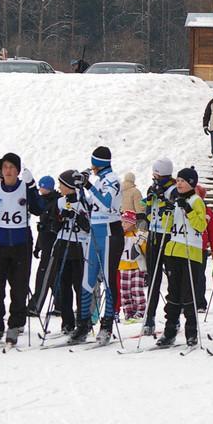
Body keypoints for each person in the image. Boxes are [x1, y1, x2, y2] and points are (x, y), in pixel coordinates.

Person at [0, 153, 44, 345]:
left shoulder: (24, 187)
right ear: (1, 170)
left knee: (19, 287)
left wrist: (32, 187)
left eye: (12, 167)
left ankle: (15, 325)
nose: (9, 171)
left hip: (21, 241)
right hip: (1, 242)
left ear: (18, 170)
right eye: (5, 167)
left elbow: (39, 209)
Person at [76, 146, 123, 345]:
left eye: (93, 163)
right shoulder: (99, 180)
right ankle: (84, 323)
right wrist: (80, 190)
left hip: (110, 233)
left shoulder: (113, 179)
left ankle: (106, 326)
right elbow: (90, 206)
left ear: (99, 164)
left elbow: (105, 203)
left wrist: (88, 186)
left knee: (108, 280)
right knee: (88, 279)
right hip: (94, 233)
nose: (91, 167)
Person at [156, 168, 207, 347]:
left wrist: (189, 211)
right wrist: (167, 212)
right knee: (173, 293)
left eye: (183, 181)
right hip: (173, 251)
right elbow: (167, 226)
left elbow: (201, 226)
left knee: (189, 292)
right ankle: (170, 330)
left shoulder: (196, 200)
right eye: (177, 180)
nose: (179, 183)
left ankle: (191, 332)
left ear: (191, 183)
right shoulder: (175, 200)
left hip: (190, 252)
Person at [48, 170, 90, 334]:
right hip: (62, 245)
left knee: (79, 286)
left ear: (69, 186)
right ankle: (67, 322)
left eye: (62, 184)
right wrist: (60, 217)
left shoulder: (84, 202)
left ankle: (83, 321)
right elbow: (53, 227)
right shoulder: (59, 202)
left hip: (78, 247)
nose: (59, 187)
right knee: (63, 286)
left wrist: (78, 217)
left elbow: (88, 227)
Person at [143, 159, 175, 336]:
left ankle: (173, 317)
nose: (154, 178)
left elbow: (171, 212)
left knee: (172, 278)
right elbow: (148, 212)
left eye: (156, 175)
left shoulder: (173, 190)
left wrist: (162, 199)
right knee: (153, 278)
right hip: (154, 235)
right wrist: (150, 200)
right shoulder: (152, 188)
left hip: (167, 236)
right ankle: (149, 318)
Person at [29, 175, 60, 315]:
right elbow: (42, 228)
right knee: (52, 275)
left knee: (43, 274)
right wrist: (38, 246)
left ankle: (35, 306)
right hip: (46, 242)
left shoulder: (54, 202)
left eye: (42, 187)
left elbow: (50, 226)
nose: (40, 189)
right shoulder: (43, 201)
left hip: (52, 245)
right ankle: (60, 305)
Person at [118, 210, 147, 322]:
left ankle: (140, 311)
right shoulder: (120, 235)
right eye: (122, 222)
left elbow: (144, 249)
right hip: (123, 266)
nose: (123, 225)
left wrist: (143, 242)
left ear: (132, 223)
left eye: (126, 222)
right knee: (125, 291)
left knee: (136, 289)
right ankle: (128, 312)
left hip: (137, 266)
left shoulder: (138, 234)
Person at [194, 184, 213, 311]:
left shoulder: (207, 211)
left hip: (201, 248)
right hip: (186, 247)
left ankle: (200, 302)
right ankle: (185, 301)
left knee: (199, 276)